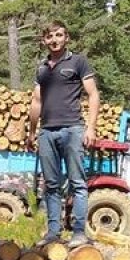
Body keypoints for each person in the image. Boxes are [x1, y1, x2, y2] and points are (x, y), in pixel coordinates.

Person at [27, 20, 99, 248]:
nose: (54, 40)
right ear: (44, 40)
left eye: (59, 35)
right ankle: (53, 233)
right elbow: (36, 101)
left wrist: (91, 127)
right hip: (47, 132)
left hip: (73, 129)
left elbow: (93, 94)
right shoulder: (41, 69)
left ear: (66, 38)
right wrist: (32, 132)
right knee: (51, 184)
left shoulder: (78, 62)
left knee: (77, 182)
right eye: (50, 36)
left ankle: (78, 232)